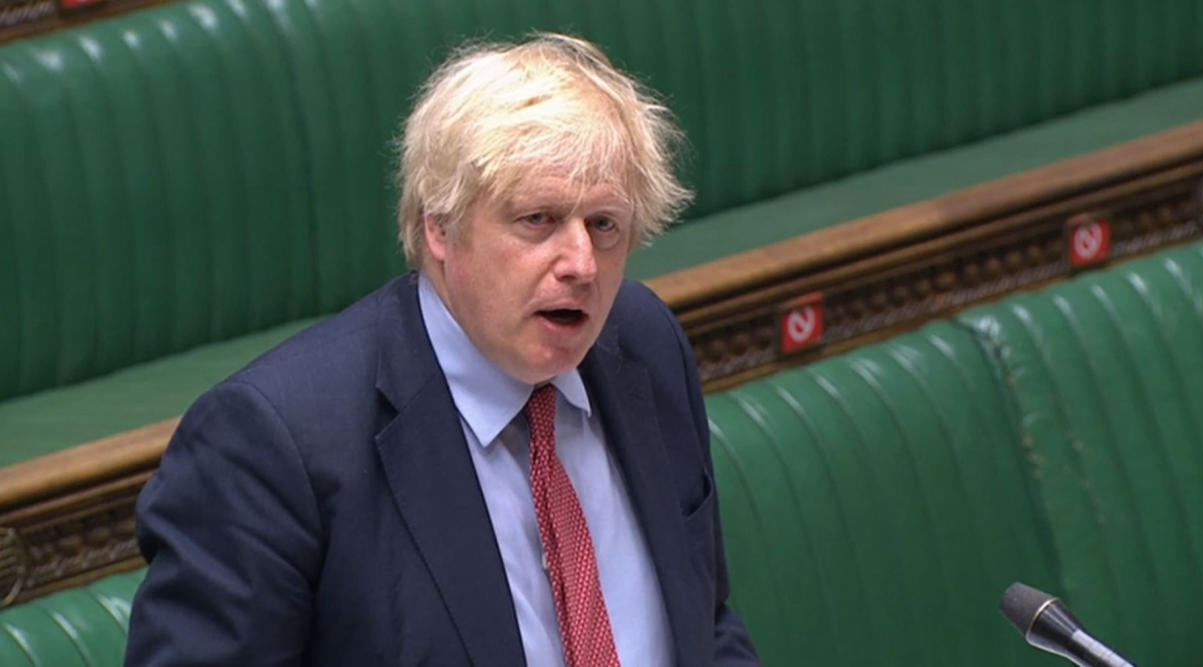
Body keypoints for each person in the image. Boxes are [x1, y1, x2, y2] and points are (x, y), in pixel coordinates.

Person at [125, 33, 759, 666]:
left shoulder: (642, 343)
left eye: (604, 224)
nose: (582, 264)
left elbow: (704, 624)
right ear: (440, 227)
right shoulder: (273, 445)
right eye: (537, 219)